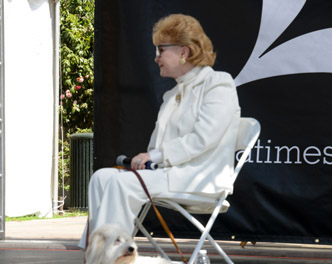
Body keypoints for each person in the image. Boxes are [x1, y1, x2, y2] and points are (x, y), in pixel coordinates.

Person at [79, 14, 241, 248]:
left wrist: (154, 157)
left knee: (121, 183)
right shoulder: (172, 95)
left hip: (201, 178)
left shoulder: (219, 84)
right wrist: (150, 160)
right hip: (171, 174)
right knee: (101, 177)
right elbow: (159, 148)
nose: (156, 58)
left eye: (161, 50)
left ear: (184, 52)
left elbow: (203, 138)